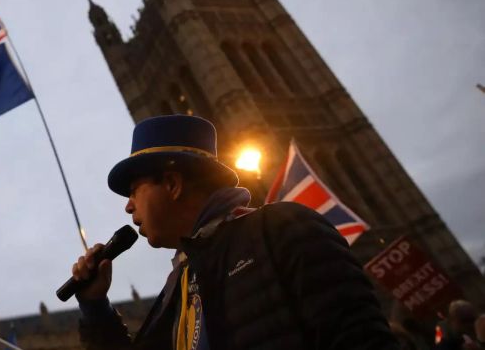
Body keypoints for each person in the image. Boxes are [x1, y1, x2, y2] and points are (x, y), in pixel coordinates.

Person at [71, 115, 398, 349]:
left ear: (171, 185)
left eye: (133, 192)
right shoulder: (179, 283)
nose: (128, 207)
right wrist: (94, 306)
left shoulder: (282, 229)